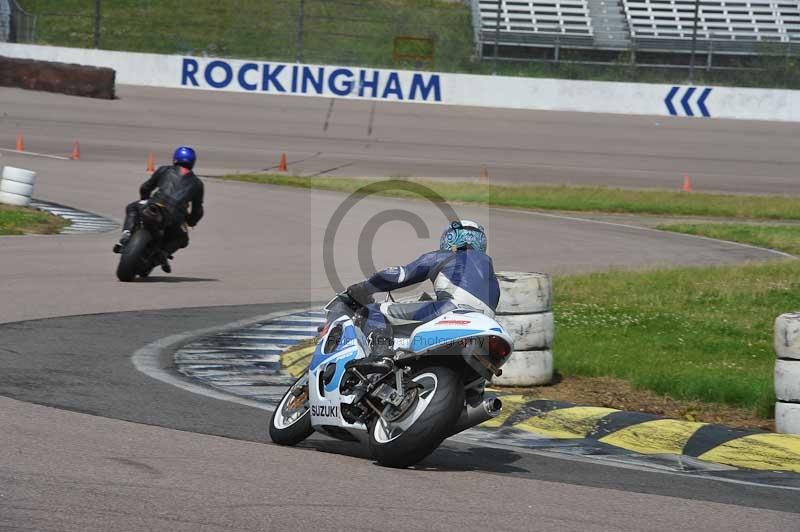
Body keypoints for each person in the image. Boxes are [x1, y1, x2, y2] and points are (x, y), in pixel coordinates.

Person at [344, 220, 499, 372]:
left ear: (451, 238)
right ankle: (474, 393)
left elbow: (399, 275)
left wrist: (364, 288)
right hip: (486, 326)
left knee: (372, 312)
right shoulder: (493, 277)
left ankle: (381, 355)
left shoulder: (446, 256)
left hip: (451, 310)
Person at [113, 146, 204, 273]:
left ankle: (126, 233)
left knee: (133, 207)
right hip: (175, 216)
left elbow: (145, 188)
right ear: (193, 162)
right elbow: (197, 211)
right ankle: (163, 253)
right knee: (182, 238)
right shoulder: (197, 184)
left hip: (154, 205)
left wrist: (144, 200)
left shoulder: (164, 170)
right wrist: (191, 221)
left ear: (175, 159)